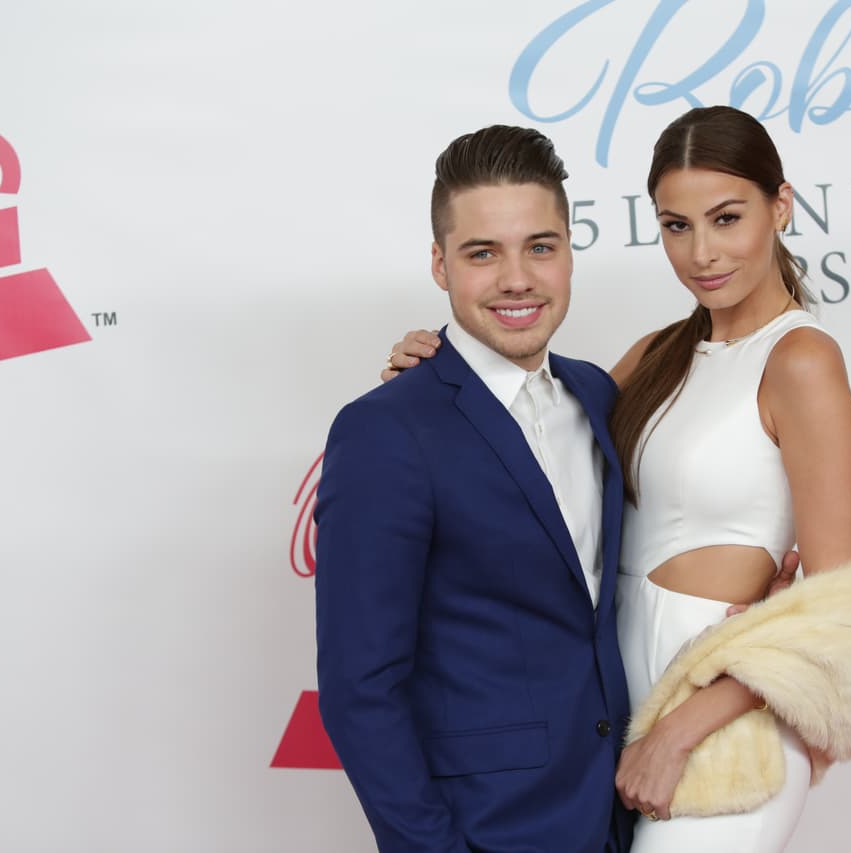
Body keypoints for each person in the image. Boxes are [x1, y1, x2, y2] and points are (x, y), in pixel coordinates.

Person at [384, 106, 851, 853]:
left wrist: (680, 729)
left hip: (722, 733)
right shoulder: (657, 355)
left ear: (779, 205)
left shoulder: (802, 361)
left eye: (727, 217)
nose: (701, 253)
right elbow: (538, 425)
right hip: (614, 724)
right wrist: (437, 367)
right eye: (675, 225)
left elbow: (843, 615)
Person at [313, 125, 633, 852]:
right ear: (440, 263)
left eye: (540, 246)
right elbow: (360, 689)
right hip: (491, 831)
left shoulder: (600, 395)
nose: (517, 278)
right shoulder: (386, 430)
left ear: (570, 253)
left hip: (625, 814)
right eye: (483, 252)